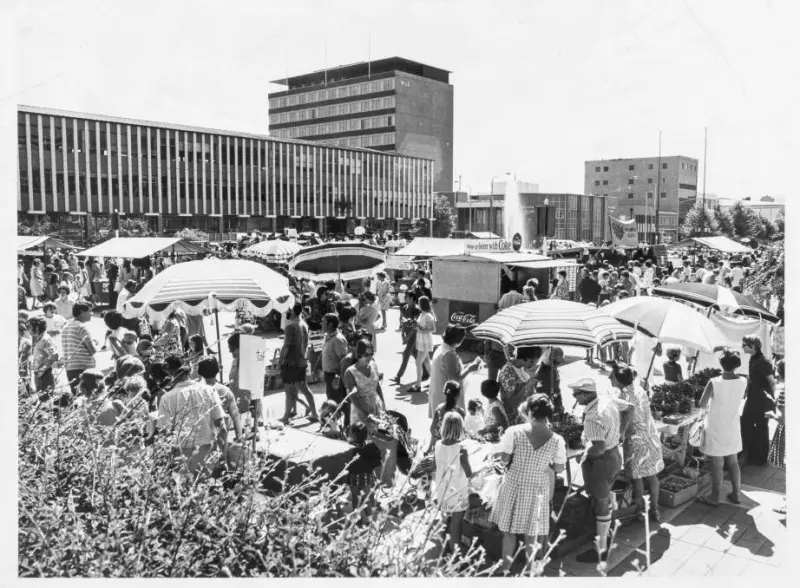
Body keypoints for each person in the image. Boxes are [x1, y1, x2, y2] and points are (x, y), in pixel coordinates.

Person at [490, 395, 566, 572]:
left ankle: (506, 571)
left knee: (508, 532)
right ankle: (531, 572)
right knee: (532, 535)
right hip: (537, 487)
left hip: (514, 483)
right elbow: (559, 468)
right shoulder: (557, 440)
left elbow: (504, 458)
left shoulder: (514, 431)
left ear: (530, 411)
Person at [571, 377, 632, 563]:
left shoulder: (592, 417)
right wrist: (621, 432)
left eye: (576, 395)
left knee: (601, 502)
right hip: (614, 456)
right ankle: (602, 530)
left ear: (585, 394)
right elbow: (630, 407)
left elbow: (598, 448)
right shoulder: (608, 398)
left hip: (601, 462)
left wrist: (583, 455)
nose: (575, 399)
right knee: (603, 497)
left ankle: (602, 548)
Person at [610, 362, 664, 522]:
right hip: (651, 437)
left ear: (619, 381)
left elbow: (623, 422)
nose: (609, 378)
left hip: (635, 442)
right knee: (653, 477)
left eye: (611, 376)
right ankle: (654, 510)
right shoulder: (639, 389)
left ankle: (640, 511)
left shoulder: (621, 397)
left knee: (638, 478)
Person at [157, 354, 227, 474]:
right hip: (208, 453)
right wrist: (223, 457)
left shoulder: (166, 398)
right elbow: (222, 427)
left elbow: (164, 433)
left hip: (182, 456)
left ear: (169, 374)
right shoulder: (209, 390)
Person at [697, 349, 746, 506]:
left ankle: (714, 496)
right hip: (732, 424)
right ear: (737, 364)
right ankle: (736, 494)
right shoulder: (743, 381)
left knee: (717, 462)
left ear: (721, 363)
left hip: (716, 424)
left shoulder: (714, 382)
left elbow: (702, 404)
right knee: (733, 461)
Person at [433, 412, 474, 554]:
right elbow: (469, 473)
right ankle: (455, 553)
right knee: (456, 524)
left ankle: (443, 547)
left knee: (445, 520)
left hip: (442, 489)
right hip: (458, 492)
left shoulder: (437, 444)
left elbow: (435, 465)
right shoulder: (461, 449)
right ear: (460, 428)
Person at [428, 324, 482, 416]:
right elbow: (454, 379)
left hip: (439, 394)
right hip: (447, 399)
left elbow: (449, 369)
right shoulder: (449, 354)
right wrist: (469, 369)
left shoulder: (442, 348)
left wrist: (464, 366)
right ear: (459, 341)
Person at [279, 303, 319, 423]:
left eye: (288, 311)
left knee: (289, 390)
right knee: (304, 388)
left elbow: (286, 346)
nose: (286, 314)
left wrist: (280, 361)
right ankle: (315, 413)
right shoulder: (304, 324)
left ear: (292, 311)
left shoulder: (290, 326)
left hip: (291, 362)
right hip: (302, 361)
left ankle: (286, 417)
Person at [741, 335, 776, 465]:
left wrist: (772, 401)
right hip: (752, 398)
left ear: (752, 346)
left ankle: (760, 459)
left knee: (761, 428)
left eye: (744, 345)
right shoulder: (753, 358)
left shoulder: (763, 361)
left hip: (761, 401)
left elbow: (772, 382)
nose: (742, 347)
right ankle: (751, 455)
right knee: (746, 424)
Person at [197, 356, 244, 443]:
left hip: (199, 437)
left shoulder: (195, 391)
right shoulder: (225, 391)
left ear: (199, 371)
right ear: (218, 370)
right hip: (220, 436)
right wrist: (239, 438)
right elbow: (235, 416)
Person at [346, 422, 382, 517]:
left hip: (353, 478)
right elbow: (378, 461)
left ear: (352, 435)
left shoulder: (349, 447)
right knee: (367, 497)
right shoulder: (371, 446)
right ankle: (369, 517)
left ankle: (357, 518)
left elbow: (346, 464)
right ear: (366, 435)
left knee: (355, 498)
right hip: (366, 477)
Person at [498, 346, 542, 424]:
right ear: (523, 358)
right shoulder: (508, 372)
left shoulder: (519, 368)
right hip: (512, 418)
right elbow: (510, 402)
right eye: (531, 361)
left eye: (535, 362)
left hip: (521, 415)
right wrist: (528, 384)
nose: (533, 365)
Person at [61, 302, 97, 392]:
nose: (91, 314)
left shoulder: (66, 326)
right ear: (82, 312)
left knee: (76, 398)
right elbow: (92, 350)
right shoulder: (81, 327)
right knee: (87, 397)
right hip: (83, 368)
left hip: (70, 368)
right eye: (90, 311)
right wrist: (96, 343)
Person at [428, 380, 467, 451]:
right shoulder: (460, 412)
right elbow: (462, 433)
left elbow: (433, 429)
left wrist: (430, 447)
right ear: (458, 395)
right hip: (454, 448)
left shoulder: (439, 409)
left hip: (438, 446)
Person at [321, 312, 349, 409]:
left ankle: (338, 422)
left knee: (336, 402)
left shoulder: (338, 339)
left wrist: (338, 377)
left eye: (323, 322)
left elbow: (344, 361)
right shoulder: (328, 336)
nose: (321, 324)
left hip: (335, 377)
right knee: (331, 400)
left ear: (330, 324)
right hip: (329, 375)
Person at [27, 316, 59, 393]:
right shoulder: (39, 339)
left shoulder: (45, 340)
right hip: (40, 374)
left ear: (37, 328)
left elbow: (54, 355)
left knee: (45, 399)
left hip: (45, 375)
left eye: (29, 327)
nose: (27, 329)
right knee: (42, 398)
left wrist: (42, 370)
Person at [412, 296, 436, 394]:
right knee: (426, 361)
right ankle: (434, 381)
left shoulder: (428, 316)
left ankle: (418, 385)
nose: (417, 304)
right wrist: (416, 326)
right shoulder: (422, 314)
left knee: (418, 362)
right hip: (421, 340)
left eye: (418, 302)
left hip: (425, 341)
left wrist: (421, 329)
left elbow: (433, 329)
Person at [534, 347, 565, 413]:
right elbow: (541, 391)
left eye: (559, 361)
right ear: (550, 358)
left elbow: (556, 389)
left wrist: (559, 404)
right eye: (555, 361)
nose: (557, 364)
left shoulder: (552, 369)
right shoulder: (544, 372)